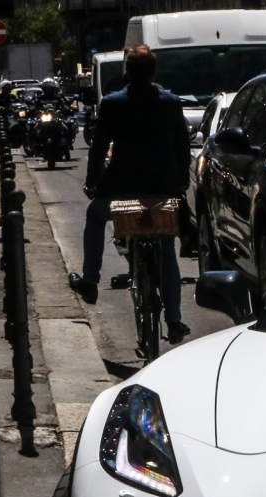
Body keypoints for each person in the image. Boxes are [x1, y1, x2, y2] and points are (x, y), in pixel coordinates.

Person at [70, 45, 192, 343]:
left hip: (121, 191)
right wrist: (181, 182)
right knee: (165, 251)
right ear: (153, 72)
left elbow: (99, 149)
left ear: (127, 72)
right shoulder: (170, 102)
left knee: (95, 217)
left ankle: (90, 280)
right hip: (162, 191)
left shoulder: (112, 103)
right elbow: (182, 148)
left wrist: (92, 183)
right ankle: (174, 321)